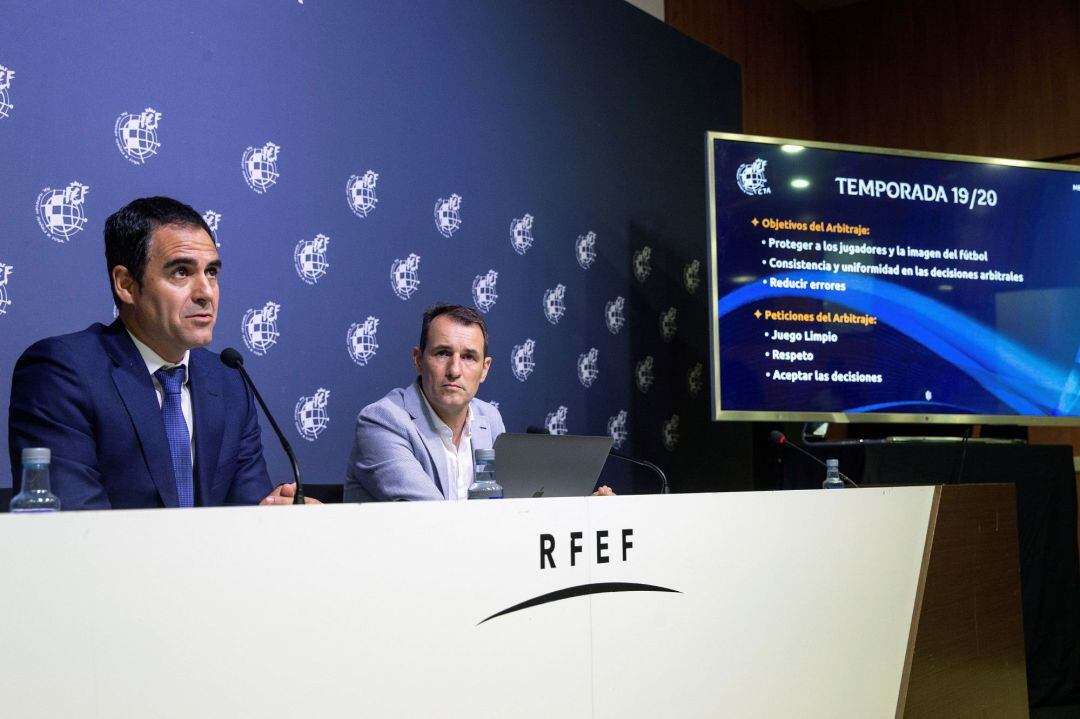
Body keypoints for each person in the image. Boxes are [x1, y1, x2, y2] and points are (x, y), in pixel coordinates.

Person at [7, 196, 308, 509]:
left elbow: (246, 516)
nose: (206, 292)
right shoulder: (62, 372)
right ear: (126, 284)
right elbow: (74, 523)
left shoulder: (230, 383)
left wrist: (280, 517)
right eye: (181, 272)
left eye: (212, 272)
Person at [344, 303, 613, 502]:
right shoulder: (382, 421)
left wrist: (581, 509)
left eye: (469, 357)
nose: (454, 370)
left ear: (485, 369)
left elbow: (510, 508)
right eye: (442, 353)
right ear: (417, 359)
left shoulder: (489, 417)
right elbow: (429, 517)